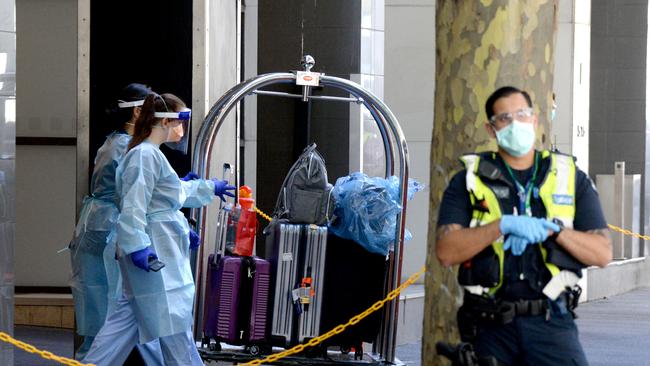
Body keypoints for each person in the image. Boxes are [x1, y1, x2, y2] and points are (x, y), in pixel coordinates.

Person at [435, 86, 612, 366]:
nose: (515, 123)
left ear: (535, 120)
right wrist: (502, 225)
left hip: (551, 321)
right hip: (489, 324)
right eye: (505, 118)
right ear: (491, 129)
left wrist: (554, 230)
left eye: (522, 114)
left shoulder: (569, 177)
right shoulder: (468, 180)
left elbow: (602, 253)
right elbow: (446, 252)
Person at [82, 93, 235, 366]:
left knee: (125, 321)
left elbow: (167, 195)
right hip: (156, 253)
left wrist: (208, 187)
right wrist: (139, 246)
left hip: (156, 246)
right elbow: (134, 206)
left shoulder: (148, 154)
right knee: (172, 320)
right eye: (180, 121)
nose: (182, 129)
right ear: (165, 120)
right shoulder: (144, 155)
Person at [69, 83, 163, 363]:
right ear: (137, 112)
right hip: (110, 231)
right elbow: (142, 194)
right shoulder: (130, 149)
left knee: (99, 313)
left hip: (94, 227)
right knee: (118, 311)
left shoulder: (112, 141)